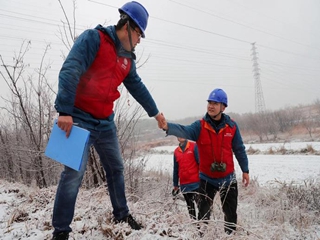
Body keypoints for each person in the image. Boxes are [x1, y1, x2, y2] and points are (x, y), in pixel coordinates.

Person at [51, 2, 165, 240]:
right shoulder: (94, 39)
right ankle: (61, 231)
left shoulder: (127, 59)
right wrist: (64, 110)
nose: (140, 40)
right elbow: (70, 69)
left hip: (105, 123)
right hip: (78, 117)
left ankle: (121, 215)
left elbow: (137, 88)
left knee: (116, 169)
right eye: (139, 34)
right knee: (73, 173)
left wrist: (156, 113)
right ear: (128, 25)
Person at [160, 88, 249, 235]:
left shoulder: (232, 127)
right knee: (203, 216)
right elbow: (184, 130)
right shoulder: (200, 126)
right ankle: (202, 236)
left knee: (231, 215)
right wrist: (167, 126)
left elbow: (239, 149)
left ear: (223, 107)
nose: (211, 106)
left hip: (228, 179)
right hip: (207, 180)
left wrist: (245, 170)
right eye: (209, 102)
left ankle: (230, 237)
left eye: (215, 103)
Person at [172, 137, 200, 220]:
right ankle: (195, 227)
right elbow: (176, 169)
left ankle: (203, 227)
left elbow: (200, 163)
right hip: (184, 185)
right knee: (190, 208)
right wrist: (175, 184)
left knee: (201, 207)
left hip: (196, 184)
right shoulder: (176, 151)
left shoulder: (194, 146)